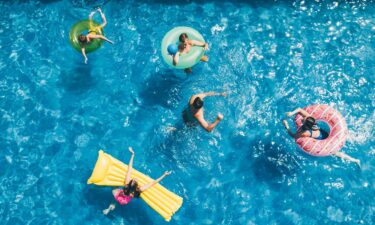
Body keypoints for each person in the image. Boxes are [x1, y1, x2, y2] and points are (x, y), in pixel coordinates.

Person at [103, 147, 171, 215]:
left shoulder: (126, 184)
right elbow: (153, 183)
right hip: (124, 201)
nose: (135, 178)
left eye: (133, 180)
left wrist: (132, 155)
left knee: (113, 187)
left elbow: (129, 169)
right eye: (135, 180)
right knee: (118, 200)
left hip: (119, 196)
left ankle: (109, 208)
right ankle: (110, 208)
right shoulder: (138, 190)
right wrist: (164, 175)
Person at [282, 107, 360, 166]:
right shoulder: (312, 120)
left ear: (306, 125)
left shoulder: (306, 133)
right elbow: (299, 109)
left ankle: (355, 160)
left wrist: (286, 126)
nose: (303, 117)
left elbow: (293, 136)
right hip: (324, 133)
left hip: (323, 142)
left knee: (335, 153)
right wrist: (292, 113)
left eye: (304, 119)